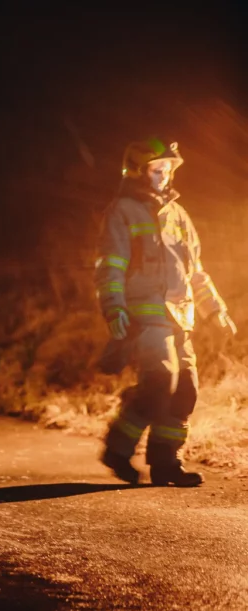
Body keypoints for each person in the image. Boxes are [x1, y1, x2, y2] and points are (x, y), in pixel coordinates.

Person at [97, 138, 235, 487]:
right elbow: (110, 266)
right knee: (161, 380)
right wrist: (114, 308)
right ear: (138, 172)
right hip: (145, 315)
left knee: (186, 387)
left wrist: (214, 309)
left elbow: (196, 270)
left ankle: (165, 462)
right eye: (157, 170)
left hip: (180, 315)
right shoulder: (122, 210)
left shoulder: (178, 214)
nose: (164, 176)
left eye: (168, 170)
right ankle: (118, 448)